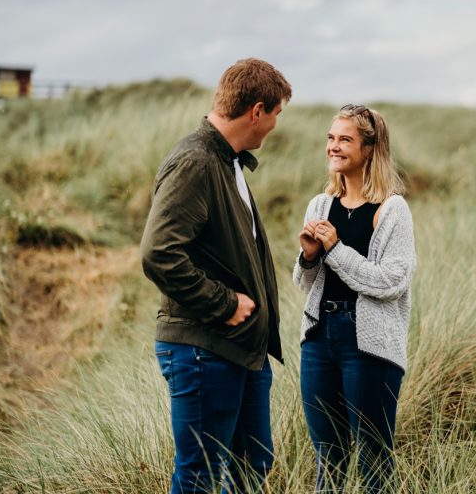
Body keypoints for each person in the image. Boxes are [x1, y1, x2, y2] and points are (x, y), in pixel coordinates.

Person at [140, 58, 291, 494]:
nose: (275, 127)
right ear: (257, 111)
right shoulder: (195, 162)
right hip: (204, 351)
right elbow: (158, 254)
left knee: (253, 464)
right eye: (277, 115)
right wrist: (224, 304)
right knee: (200, 478)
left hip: (242, 351)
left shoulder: (228, 161)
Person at [293, 104, 416, 492]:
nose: (334, 146)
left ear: (369, 148)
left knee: (374, 462)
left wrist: (335, 248)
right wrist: (309, 256)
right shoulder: (319, 204)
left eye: (345, 139)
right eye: (331, 138)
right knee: (327, 460)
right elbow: (304, 282)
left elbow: (390, 281)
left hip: (369, 346)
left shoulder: (392, 209)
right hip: (318, 338)